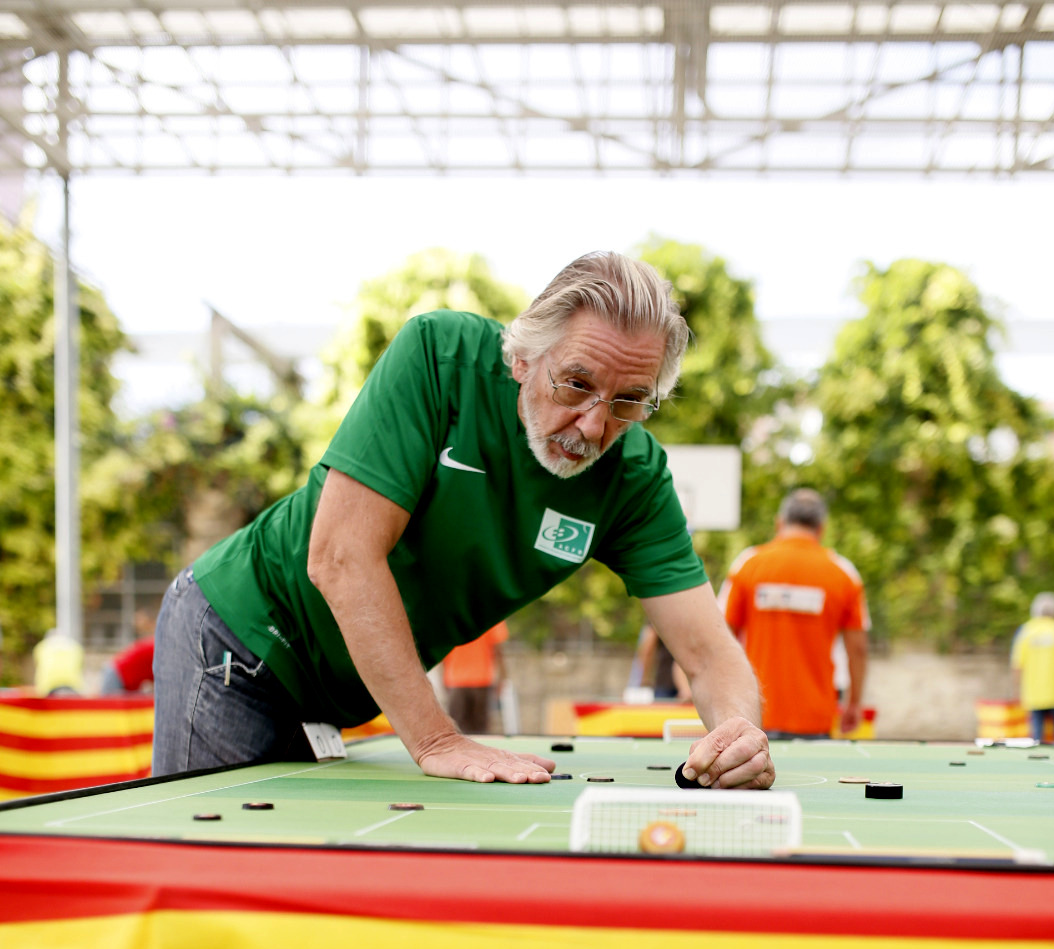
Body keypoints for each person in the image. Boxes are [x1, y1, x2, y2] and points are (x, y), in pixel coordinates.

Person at [153, 252, 773, 792]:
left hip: (336, 694)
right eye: (576, 384)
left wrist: (737, 731)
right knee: (202, 881)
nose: (592, 426)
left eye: (628, 401)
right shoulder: (438, 356)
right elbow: (340, 557)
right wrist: (436, 740)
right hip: (239, 634)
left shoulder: (635, 478)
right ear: (524, 358)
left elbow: (708, 652)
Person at [719, 488, 869, 738]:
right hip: (815, 719)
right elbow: (858, 649)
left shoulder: (748, 564)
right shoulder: (843, 573)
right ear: (821, 528)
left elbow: (721, 637)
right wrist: (854, 703)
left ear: (780, 522)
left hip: (753, 715)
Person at [1010, 592, 1054, 744]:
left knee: (1036, 736)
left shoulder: (1026, 631)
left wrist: (1017, 690)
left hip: (1033, 692)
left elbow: (1017, 665)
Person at [443, 622, 509, 734]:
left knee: (457, 730)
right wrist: (502, 678)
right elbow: (498, 650)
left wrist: (444, 679)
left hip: (459, 681)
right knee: (480, 731)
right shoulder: (490, 613)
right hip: (479, 680)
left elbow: (443, 650)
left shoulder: (451, 613)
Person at [99, 608, 157, 696]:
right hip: (117, 675)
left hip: (119, 675)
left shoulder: (151, 643)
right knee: (110, 707)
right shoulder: (153, 645)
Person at [630, 624, 692, 701]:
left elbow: (647, 648)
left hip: (667, 685)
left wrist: (644, 680)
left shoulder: (661, 614)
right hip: (687, 684)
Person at [32, 629, 84, 696]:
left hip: (47, 686)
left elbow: (37, 664)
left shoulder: (41, 647)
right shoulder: (76, 647)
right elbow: (80, 666)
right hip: (73, 685)